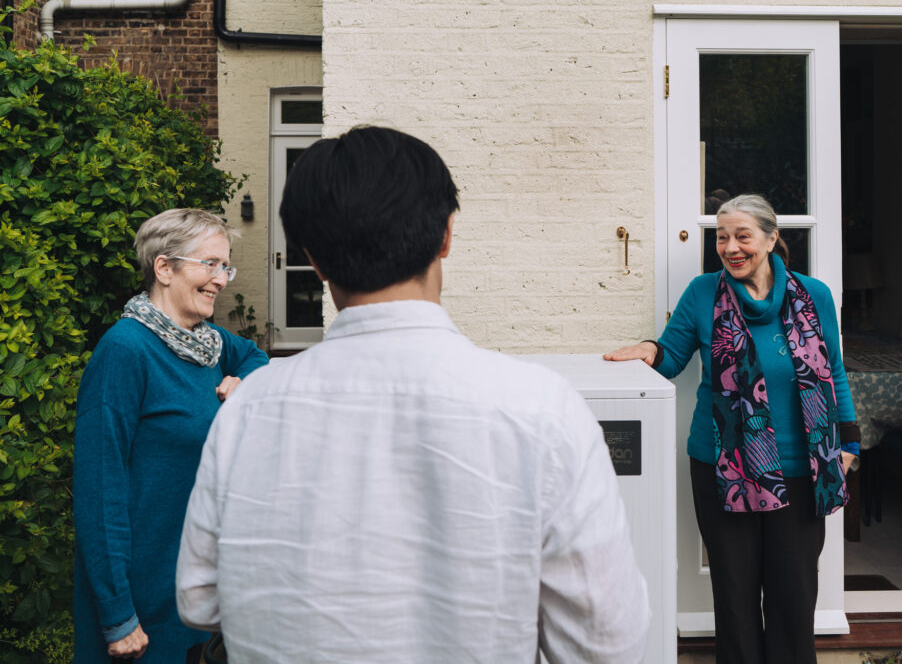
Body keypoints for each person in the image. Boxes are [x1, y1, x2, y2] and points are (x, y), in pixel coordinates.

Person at [175, 125, 651, 662]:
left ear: (314, 258)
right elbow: (608, 641)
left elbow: (198, 600)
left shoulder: (248, 409)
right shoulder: (541, 407)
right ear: (447, 235)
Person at [605, 194, 860, 664]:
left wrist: (849, 442)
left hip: (804, 468)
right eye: (722, 238)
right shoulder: (703, 293)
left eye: (743, 236)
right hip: (724, 469)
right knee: (736, 597)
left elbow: (834, 372)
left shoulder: (814, 296)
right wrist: (646, 351)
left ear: (770, 238)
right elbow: (671, 354)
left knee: (793, 596)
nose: (731, 247)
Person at [74, 209, 269, 662]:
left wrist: (246, 382)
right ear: (164, 268)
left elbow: (257, 358)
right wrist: (117, 613)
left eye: (226, 266)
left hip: (192, 597)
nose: (221, 279)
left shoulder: (209, 344)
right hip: (140, 607)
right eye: (210, 264)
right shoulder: (125, 351)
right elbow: (99, 489)